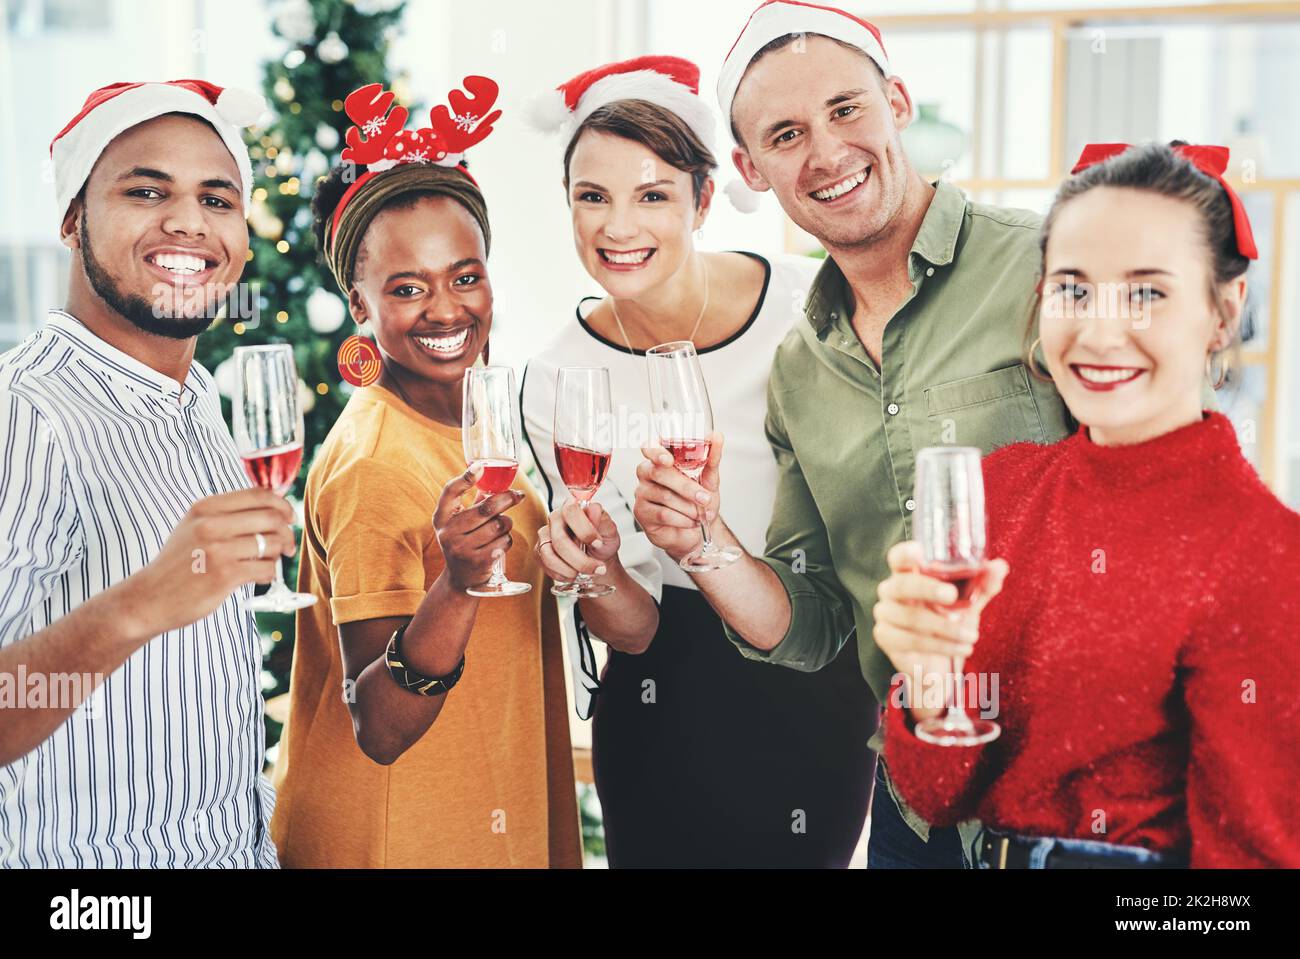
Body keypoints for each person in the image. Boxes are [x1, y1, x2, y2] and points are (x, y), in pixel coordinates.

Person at [631, 1, 1086, 867]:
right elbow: (813, 623)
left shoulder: (1045, 268)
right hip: (919, 818)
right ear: (751, 168)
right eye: (787, 133)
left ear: (898, 103)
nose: (829, 153)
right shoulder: (800, 369)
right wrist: (702, 542)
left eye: (847, 109)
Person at [876, 141, 1300, 869]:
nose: (1100, 332)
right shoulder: (1001, 489)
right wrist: (927, 682)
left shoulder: (1267, 554)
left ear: (1223, 312)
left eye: (1146, 292)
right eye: (1073, 288)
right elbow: (938, 796)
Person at [521, 56, 875, 868]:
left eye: (652, 195)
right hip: (662, 697)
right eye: (592, 196)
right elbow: (635, 629)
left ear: (704, 199)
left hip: (814, 677)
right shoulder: (558, 379)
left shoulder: (809, 306)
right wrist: (600, 568)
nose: (619, 227)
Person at [269, 79, 581, 869]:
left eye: (465, 275)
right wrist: (458, 583)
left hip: (476, 811)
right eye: (407, 288)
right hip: (399, 837)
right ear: (359, 303)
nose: (447, 310)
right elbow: (379, 724)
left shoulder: (471, 424)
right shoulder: (374, 461)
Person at [0, 79, 287, 867]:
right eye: (146, 189)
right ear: (72, 219)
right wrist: (135, 608)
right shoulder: (25, 414)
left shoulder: (197, 400)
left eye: (218, 199)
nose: (189, 222)